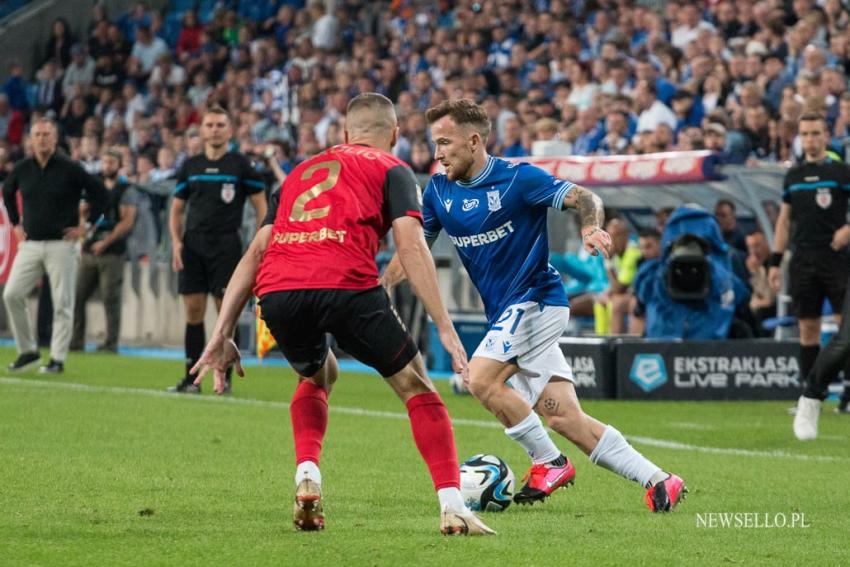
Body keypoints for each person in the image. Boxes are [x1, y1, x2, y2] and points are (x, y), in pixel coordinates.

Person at [190, 93, 493, 535]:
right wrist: (444, 327)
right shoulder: (392, 168)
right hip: (346, 284)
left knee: (318, 375)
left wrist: (220, 333)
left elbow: (257, 251)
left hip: (280, 292)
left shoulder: (296, 173)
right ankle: (451, 505)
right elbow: (410, 246)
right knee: (415, 384)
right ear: (393, 135)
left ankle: (307, 475)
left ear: (346, 134)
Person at [382, 99, 686, 513]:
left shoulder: (517, 180)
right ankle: (660, 480)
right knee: (564, 418)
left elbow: (583, 196)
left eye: (445, 142)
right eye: (434, 144)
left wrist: (590, 225)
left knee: (480, 380)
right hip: (508, 315)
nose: (437, 153)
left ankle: (550, 462)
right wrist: (380, 285)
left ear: (474, 141)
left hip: (537, 301)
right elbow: (415, 252)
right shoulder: (438, 191)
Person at [168, 106, 268, 394]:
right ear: (201, 130)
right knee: (193, 309)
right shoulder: (191, 165)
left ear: (229, 130)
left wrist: (259, 242)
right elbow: (176, 210)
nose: (214, 129)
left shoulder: (240, 165)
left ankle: (224, 378)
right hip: (193, 244)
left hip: (226, 245)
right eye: (209, 125)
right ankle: (190, 378)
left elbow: (261, 205)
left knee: (224, 311)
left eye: (220, 125)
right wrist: (176, 242)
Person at [2, 118, 107, 373]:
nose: (41, 139)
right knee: (12, 294)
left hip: (62, 244)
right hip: (31, 244)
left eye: (46, 134)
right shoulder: (23, 167)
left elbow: (101, 193)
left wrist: (88, 227)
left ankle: (57, 358)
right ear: (30, 139)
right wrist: (15, 222)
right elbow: (7, 190)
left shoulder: (70, 167)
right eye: (37, 134)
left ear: (55, 138)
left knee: (62, 303)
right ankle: (28, 350)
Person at [774, 113, 850, 440]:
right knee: (808, 327)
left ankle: (845, 393)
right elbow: (783, 220)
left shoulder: (840, 172)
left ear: (826, 136)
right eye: (804, 133)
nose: (810, 139)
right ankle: (808, 392)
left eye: (815, 133)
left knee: (843, 328)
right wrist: (776, 262)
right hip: (804, 258)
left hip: (837, 257)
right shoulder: (793, 176)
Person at [70, 148, 138, 353]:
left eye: (111, 162)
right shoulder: (93, 185)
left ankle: (110, 343)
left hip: (113, 252)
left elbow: (127, 221)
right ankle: (76, 340)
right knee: (78, 296)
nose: (106, 166)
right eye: (104, 162)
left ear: (119, 164)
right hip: (90, 250)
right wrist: (84, 232)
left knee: (110, 298)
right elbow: (83, 213)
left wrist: (106, 242)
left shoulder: (126, 189)